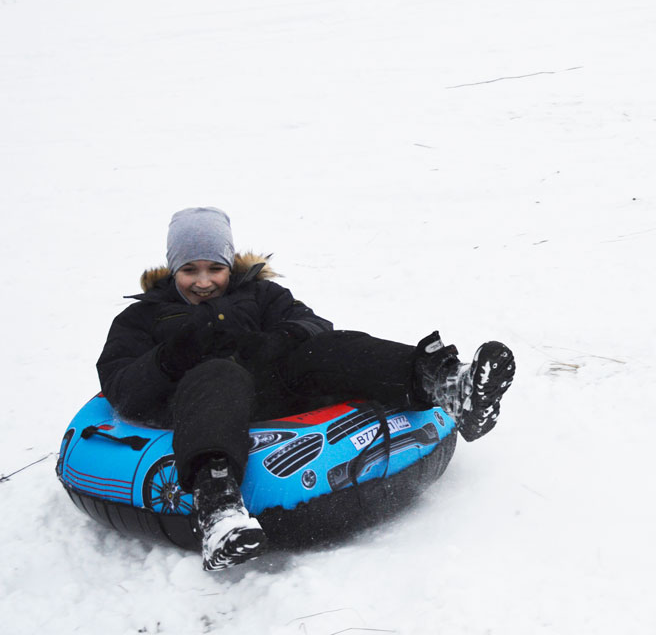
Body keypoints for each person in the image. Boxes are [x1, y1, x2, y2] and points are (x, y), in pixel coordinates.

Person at [96, 207, 515, 571]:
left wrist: (278, 340)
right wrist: (170, 357)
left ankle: (443, 383)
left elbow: (315, 326)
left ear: (230, 264)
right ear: (172, 270)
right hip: (201, 406)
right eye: (190, 270)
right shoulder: (145, 318)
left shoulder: (260, 294)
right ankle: (218, 505)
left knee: (328, 349)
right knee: (217, 373)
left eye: (215, 268)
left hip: (270, 391)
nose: (203, 282)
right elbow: (121, 386)